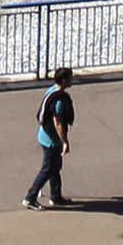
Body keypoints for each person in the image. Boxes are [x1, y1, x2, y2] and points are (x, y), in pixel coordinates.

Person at [25, 66, 77, 209]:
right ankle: (30, 197)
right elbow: (58, 123)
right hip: (52, 141)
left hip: (44, 135)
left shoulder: (52, 90)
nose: (73, 80)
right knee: (48, 169)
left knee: (55, 167)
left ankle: (56, 196)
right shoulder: (59, 100)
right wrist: (65, 141)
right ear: (64, 80)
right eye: (70, 78)